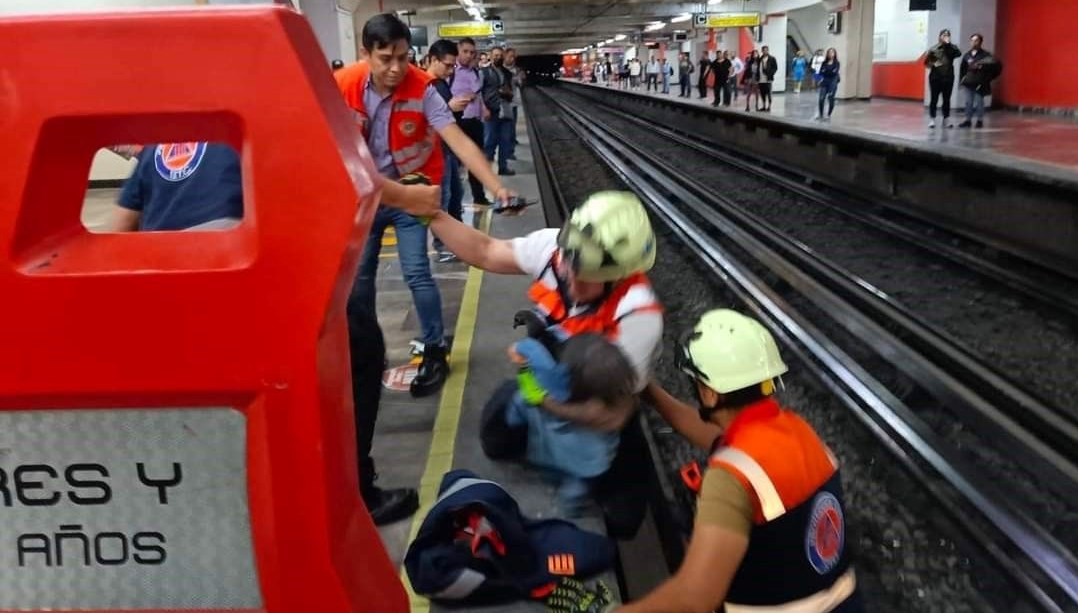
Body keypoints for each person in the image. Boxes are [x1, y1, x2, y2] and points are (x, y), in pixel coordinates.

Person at [109, 141, 436, 526]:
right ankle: (354, 490)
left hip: (170, 300)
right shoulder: (244, 125)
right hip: (241, 286)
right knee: (358, 345)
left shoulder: (155, 150)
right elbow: (342, 171)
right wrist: (409, 196)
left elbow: (119, 228)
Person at [620, 309, 860, 612]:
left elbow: (694, 598)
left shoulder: (731, 476)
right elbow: (710, 433)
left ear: (709, 394)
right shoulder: (797, 431)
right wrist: (650, 393)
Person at [335, 13, 513, 397]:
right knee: (359, 281)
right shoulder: (342, 86)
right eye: (386, 58)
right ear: (366, 54)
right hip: (363, 200)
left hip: (410, 196)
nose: (396, 68)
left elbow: (458, 141)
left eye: (403, 56)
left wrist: (495, 186)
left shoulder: (424, 89)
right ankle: (365, 350)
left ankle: (434, 348)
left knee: (417, 272)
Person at [429, 191, 662, 429]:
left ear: (619, 277)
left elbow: (611, 415)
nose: (570, 282)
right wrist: (431, 215)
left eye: (586, 278)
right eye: (568, 267)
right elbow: (486, 251)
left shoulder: (638, 316)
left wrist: (543, 400)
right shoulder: (556, 250)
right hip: (555, 380)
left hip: (586, 415)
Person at [482, 332, 636, 516]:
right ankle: (574, 505)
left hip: (573, 453)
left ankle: (570, 508)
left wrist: (537, 392)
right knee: (579, 483)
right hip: (594, 460)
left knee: (570, 485)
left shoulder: (588, 410)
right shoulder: (623, 397)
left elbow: (549, 406)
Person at [426, 39, 471, 263]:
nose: (450, 70)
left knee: (455, 195)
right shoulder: (425, 86)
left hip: (447, 149)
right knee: (442, 199)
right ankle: (442, 246)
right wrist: (449, 108)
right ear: (432, 60)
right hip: (435, 152)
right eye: (447, 65)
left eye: (453, 66)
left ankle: (456, 240)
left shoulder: (441, 84)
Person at [451, 37, 491, 206]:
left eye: (472, 53)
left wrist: (483, 109)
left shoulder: (475, 72)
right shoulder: (450, 72)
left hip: (475, 122)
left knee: (477, 161)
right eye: (465, 51)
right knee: (456, 164)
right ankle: (453, 201)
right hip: (458, 123)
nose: (469, 55)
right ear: (458, 52)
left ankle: (479, 197)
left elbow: (478, 93)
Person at [480, 45, 516, 176]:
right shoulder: (483, 72)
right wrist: (483, 108)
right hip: (491, 111)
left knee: (505, 140)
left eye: (500, 55)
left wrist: (507, 93)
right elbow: (479, 92)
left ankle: (503, 167)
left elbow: (512, 92)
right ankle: (486, 168)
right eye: (495, 55)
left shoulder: (507, 74)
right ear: (490, 56)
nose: (498, 58)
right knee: (489, 141)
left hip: (505, 110)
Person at [958, 33, 1001, 129]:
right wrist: (962, 80)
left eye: (976, 40)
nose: (974, 42)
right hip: (969, 82)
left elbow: (997, 67)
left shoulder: (986, 56)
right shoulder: (967, 55)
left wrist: (988, 78)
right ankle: (968, 120)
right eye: (972, 40)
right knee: (968, 102)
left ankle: (979, 121)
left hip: (980, 83)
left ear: (980, 42)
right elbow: (963, 69)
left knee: (979, 102)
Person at [924, 29, 962, 128]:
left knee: (946, 99)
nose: (946, 36)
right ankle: (932, 119)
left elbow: (958, 53)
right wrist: (934, 62)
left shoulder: (952, 48)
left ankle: (946, 119)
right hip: (935, 78)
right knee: (934, 99)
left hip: (948, 77)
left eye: (948, 35)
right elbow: (927, 64)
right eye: (944, 35)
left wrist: (948, 44)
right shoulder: (933, 49)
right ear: (939, 36)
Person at [817, 48, 840, 121]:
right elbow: (820, 72)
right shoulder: (824, 63)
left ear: (835, 54)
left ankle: (828, 115)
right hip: (824, 82)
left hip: (832, 82)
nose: (831, 54)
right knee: (821, 99)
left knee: (830, 98)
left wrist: (826, 71)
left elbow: (834, 73)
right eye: (829, 52)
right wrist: (819, 79)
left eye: (832, 52)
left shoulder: (837, 63)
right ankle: (821, 115)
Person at [758, 45, 778, 112]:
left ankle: (769, 107)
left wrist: (770, 74)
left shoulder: (772, 58)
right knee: (762, 93)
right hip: (761, 79)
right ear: (762, 51)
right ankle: (763, 106)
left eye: (766, 50)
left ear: (768, 50)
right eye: (764, 50)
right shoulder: (760, 59)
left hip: (768, 79)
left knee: (769, 93)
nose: (765, 51)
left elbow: (775, 68)